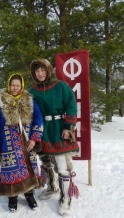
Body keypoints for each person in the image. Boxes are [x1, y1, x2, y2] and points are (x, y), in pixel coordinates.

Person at [29, 58, 80, 217]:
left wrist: (68, 127)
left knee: (62, 166)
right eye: (37, 71)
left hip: (58, 129)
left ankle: (66, 199)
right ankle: (53, 187)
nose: (40, 73)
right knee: (46, 161)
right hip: (42, 129)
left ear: (48, 70)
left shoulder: (61, 86)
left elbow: (71, 105)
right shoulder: (32, 91)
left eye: (42, 70)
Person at [0, 74, 43, 213]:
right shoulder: (0, 102)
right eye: (12, 85)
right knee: (10, 171)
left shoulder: (29, 101)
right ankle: (12, 197)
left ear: (22, 86)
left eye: (17, 85)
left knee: (29, 169)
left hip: (27, 144)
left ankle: (29, 195)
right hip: (8, 144)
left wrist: (34, 138)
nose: (15, 88)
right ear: (8, 85)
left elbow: (38, 118)